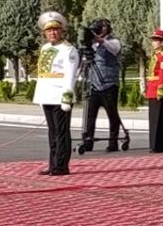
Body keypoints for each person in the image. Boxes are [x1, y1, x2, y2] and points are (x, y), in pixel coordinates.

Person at [33, 11, 80, 176]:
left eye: (55, 30)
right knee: (52, 132)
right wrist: (39, 95)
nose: (52, 33)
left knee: (61, 132)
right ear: (44, 33)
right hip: (47, 94)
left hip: (60, 95)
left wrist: (67, 97)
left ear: (61, 31)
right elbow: (43, 73)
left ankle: (61, 166)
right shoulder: (45, 48)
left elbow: (70, 74)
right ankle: (53, 164)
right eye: (49, 30)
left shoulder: (69, 50)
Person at [81, 18, 123, 153]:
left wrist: (101, 40)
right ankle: (88, 140)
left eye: (103, 26)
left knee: (112, 114)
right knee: (90, 114)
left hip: (109, 84)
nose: (100, 29)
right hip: (94, 84)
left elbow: (114, 49)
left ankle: (113, 142)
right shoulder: (93, 45)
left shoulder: (113, 41)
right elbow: (85, 59)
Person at [145, 28, 163, 153]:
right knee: (157, 117)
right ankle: (162, 143)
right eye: (153, 40)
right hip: (152, 89)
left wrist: (160, 89)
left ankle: (158, 144)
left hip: (158, 89)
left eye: (156, 40)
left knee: (158, 118)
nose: (153, 42)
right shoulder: (156, 56)